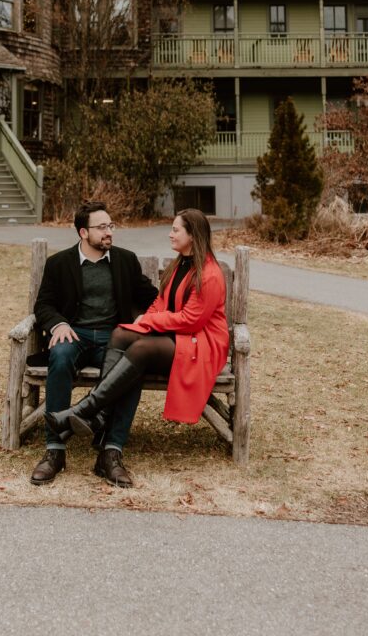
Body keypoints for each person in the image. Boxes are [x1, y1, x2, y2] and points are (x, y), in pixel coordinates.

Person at [46, 209, 229, 479]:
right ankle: (97, 417)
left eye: (176, 230)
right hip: (180, 336)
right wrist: (147, 318)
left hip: (201, 344)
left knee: (140, 350)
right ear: (83, 232)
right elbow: (160, 302)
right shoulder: (179, 264)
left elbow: (191, 320)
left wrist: (148, 323)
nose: (170, 233)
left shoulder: (210, 273)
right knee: (120, 334)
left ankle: (88, 410)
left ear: (193, 235)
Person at [30, 200, 158, 487]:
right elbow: (44, 305)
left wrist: (150, 320)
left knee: (131, 367)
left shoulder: (125, 260)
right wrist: (59, 324)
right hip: (75, 335)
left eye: (110, 226)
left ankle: (110, 452)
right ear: (83, 233)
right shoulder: (59, 264)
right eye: (101, 227)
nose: (109, 232)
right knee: (59, 356)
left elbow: (153, 298)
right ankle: (55, 450)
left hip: (113, 339)